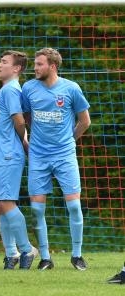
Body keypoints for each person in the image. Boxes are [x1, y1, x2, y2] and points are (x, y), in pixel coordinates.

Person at [21, 47, 91, 271]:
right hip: (38, 156)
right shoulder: (29, 88)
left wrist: (68, 140)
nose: (35, 67)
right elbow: (26, 116)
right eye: (35, 63)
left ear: (52, 66)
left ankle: (77, 255)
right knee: (37, 210)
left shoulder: (71, 88)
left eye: (39, 64)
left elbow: (85, 121)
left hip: (64, 155)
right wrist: (37, 140)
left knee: (73, 205)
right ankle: (45, 257)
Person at [0, 50, 38, 270]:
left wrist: (23, 142)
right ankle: (12, 254)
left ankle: (27, 248)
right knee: (2, 205)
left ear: (16, 68)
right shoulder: (5, 90)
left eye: (4, 61)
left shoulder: (11, 90)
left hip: (9, 154)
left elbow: (20, 121)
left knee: (5, 202)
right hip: (1, 154)